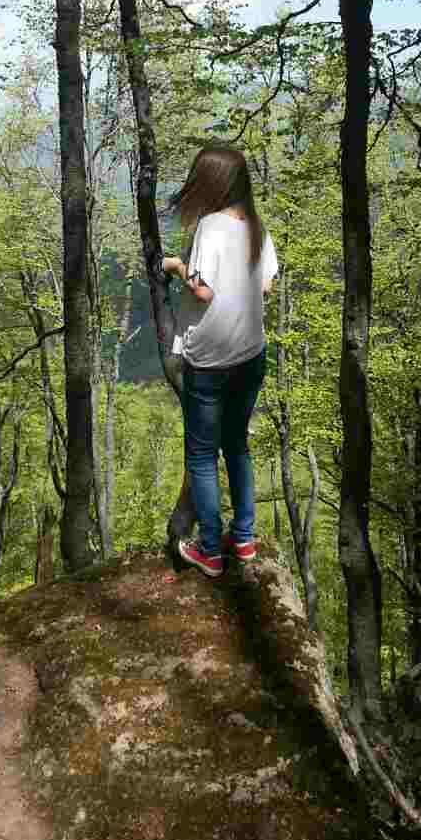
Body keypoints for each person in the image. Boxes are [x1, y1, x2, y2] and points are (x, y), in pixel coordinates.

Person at [161, 144, 278, 578]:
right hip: (250, 354)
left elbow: (203, 290)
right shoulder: (256, 227)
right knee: (236, 444)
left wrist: (175, 265)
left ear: (209, 183)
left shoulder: (210, 227)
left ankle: (211, 549)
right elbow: (267, 286)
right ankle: (242, 538)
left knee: (203, 455)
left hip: (210, 359)